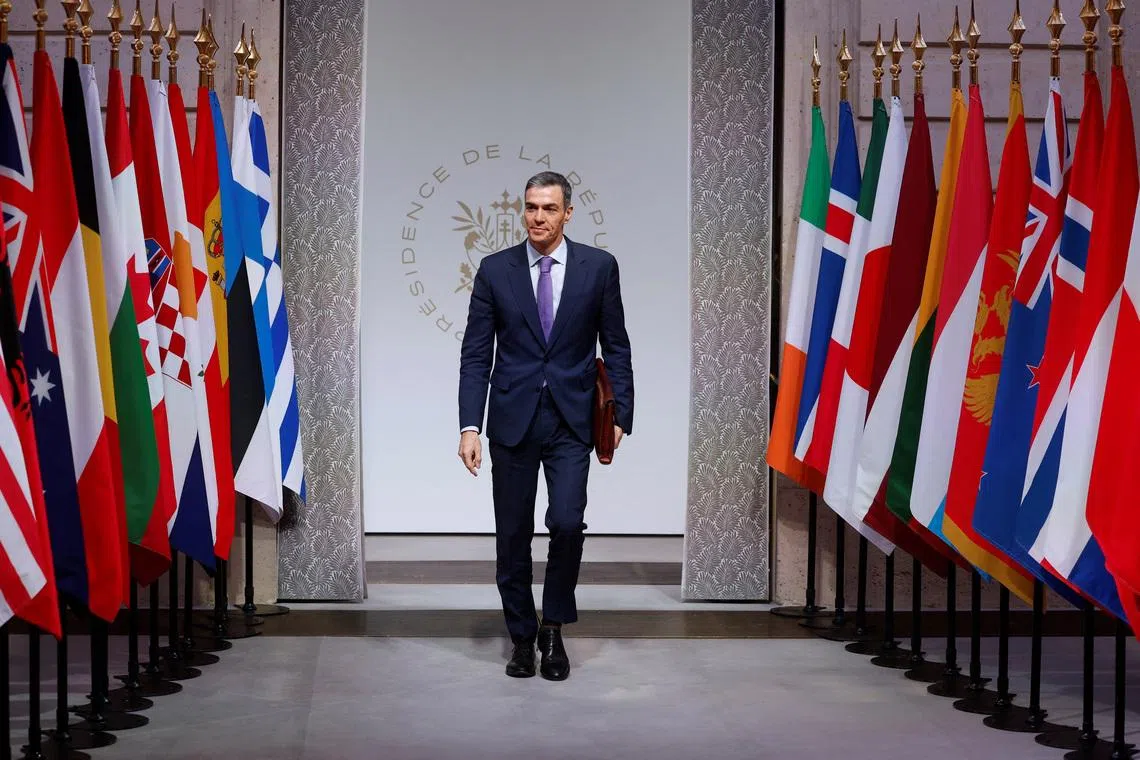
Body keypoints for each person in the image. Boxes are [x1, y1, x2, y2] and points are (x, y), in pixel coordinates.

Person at [457, 171, 634, 680]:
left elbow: (615, 344)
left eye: (549, 208)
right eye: (532, 207)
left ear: (568, 213)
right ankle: (521, 636)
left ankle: (553, 626)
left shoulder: (599, 268)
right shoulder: (496, 270)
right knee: (512, 536)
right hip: (511, 421)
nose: (538, 217)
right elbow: (475, 356)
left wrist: (620, 410)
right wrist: (470, 426)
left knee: (566, 521)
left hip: (572, 421)